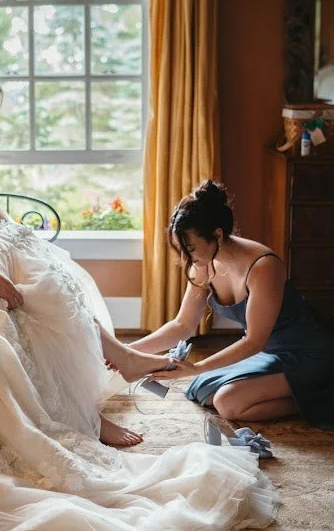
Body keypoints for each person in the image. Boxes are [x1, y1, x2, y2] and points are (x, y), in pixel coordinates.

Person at [0, 63, 278, 531]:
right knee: (11, 304)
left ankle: (104, 382)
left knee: (55, 272)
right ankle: (90, 407)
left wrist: (14, 240)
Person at [109, 180, 334, 431]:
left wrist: (196, 366)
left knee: (227, 402)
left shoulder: (263, 267)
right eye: (181, 249)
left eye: (190, 248)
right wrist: (125, 351)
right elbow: (183, 325)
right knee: (201, 390)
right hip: (272, 352)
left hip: (309, 354)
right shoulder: (203, 264)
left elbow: (254, 341)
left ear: (217, 234)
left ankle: (319, 397)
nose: (185, 258)